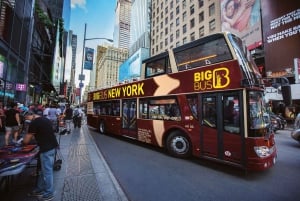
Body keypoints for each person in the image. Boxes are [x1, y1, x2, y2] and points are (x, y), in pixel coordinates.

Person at [23, 110, 58, 201]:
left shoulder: (34, 123)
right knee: (43, 170)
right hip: (52, 146)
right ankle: (39, 189)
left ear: (31, 115)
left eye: (26, 118)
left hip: (46, 149)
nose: (26, 120)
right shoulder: (45, 119)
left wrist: (23, 141)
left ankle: (48, 194)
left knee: (47, 172)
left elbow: (26, 140)